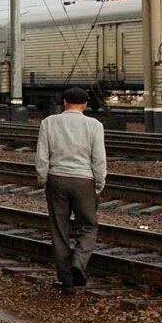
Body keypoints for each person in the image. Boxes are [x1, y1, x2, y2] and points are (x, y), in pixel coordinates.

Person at [36, 87, 107, 293]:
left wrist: (43, 179)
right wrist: (99, 183)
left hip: (57, 179)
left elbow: (42, 156)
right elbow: (99, 158)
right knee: (89, 225)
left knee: (60, 230)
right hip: (85, 180)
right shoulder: (95, 125)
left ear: (64, 102)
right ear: (85, 104)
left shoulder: (48, 122)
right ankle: (79, 261)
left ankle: (66, 282)